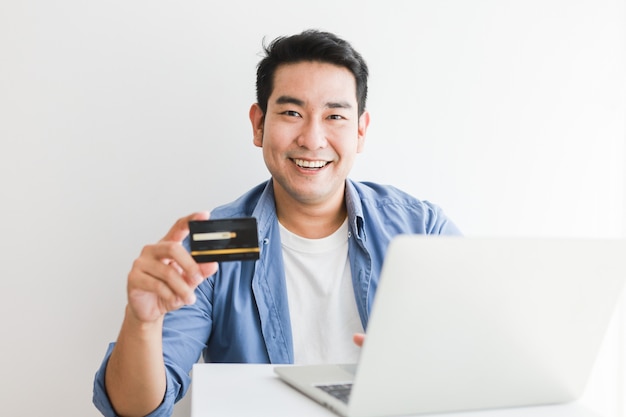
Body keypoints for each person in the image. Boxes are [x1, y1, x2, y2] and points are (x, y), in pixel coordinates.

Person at [93, 29, 461, 417]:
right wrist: (142, 323)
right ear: (258, 124)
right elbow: (135, 410)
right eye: (291, 113)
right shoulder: (217, 240)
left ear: (360, 130)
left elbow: (482, 360)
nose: (312, 138)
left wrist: (425, 366)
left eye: (334, 116)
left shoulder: (419, 229)